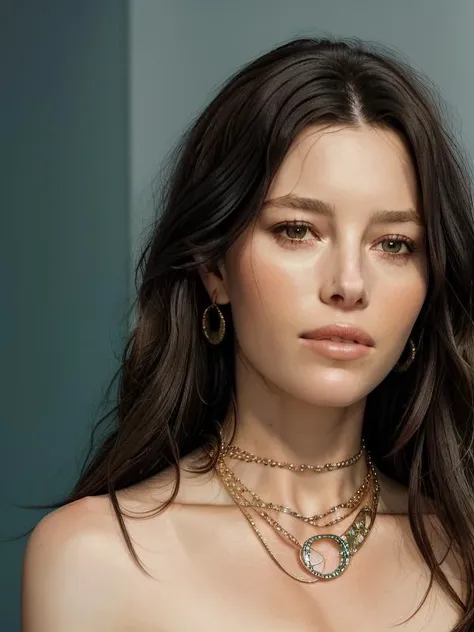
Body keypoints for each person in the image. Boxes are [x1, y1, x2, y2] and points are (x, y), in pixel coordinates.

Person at [21, 37, 474, 631]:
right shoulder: (95, 556)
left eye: (394, 244)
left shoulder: (461, 552)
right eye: (296, 230)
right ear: (214, 269)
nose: (348, 283)